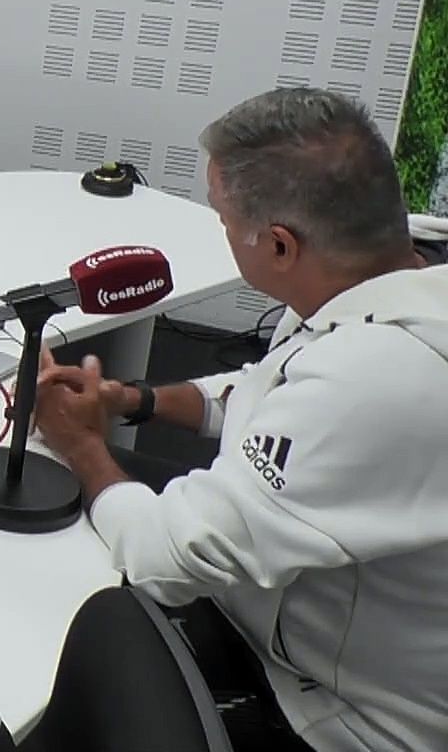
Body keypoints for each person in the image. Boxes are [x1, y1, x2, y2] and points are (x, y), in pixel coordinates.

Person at [33, 87, 448, 752]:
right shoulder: (398, 267)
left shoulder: (376, 379)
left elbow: (164, 561)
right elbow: (268, 385)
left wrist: (83, 444)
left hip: (336, 719)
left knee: (106, 623)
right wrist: (130, 399)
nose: (221, 230)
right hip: (307, 624)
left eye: (223, 218)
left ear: (280, 246)